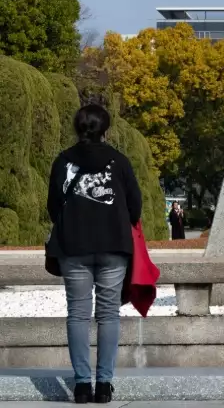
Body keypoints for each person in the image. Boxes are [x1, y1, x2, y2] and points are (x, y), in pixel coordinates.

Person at [47, 105, 142, 404]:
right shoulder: (120, 161)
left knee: (77, 314)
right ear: (106, 129)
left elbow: (53, 206)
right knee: (108, 314)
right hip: (113, 245)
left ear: (77, 129)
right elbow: (135, 206)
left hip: (73, 247)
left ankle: (80, 385)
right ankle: (103, 385)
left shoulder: (63, 161)